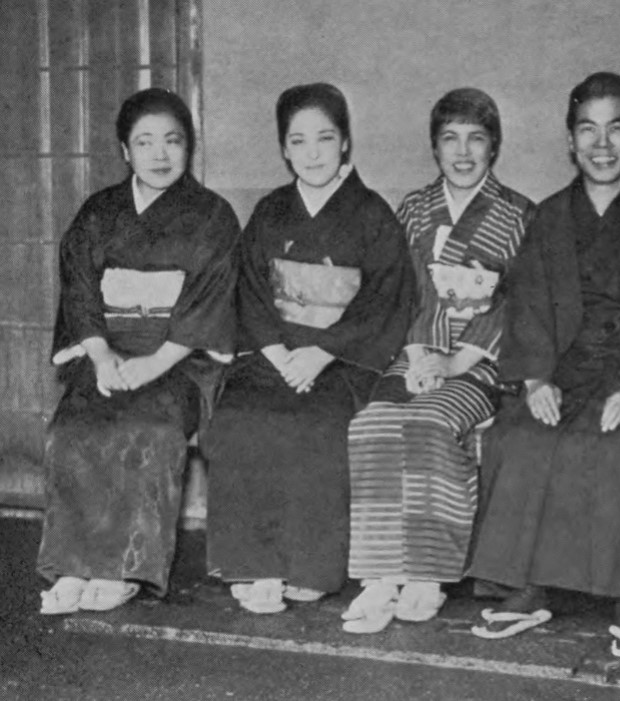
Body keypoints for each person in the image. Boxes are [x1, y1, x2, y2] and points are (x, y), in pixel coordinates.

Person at [466, 72, 620, 657]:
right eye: (587, 129)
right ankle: (530, 587)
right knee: (524, 437)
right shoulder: (549, 217)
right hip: (563, 369)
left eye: (617, 128)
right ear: (570, 141)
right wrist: (536, 377)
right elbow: (528, 300)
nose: (602, 143)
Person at [203, 83, 415, 614]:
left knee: (317, 426)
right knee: (239, 417)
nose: (313, 152)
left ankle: (310, 567)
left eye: (325, 137)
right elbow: (250, 288)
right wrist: (275, 352)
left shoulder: (372, 214)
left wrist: (323, 351)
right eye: (298, 141)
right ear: (284, 149)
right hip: (274, 356)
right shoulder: (272, 211)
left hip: (341, 363)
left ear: (346, 143)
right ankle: (252, 564)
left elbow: (384, 300)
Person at [37, 88, 241, 614]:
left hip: (179, 359)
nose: (159, 154)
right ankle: (74, 566)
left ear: (188, 147)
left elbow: (208, 304)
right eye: (144, 142)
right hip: (110, 353)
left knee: (148, 432)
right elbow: (81, 288)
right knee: (72, 430)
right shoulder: (99, 212)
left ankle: (126, 567)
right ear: (124, 151)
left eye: (172, 141)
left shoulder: (213, 217)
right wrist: (103, 358)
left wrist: (153, 364)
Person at [341, 88, 533, 634]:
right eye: (451, 139)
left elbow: (518, 304)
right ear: (435, 146)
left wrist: (455, 363)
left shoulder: (519, 214)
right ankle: (381, 574)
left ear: (494, 146)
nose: (463, 152)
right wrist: (421, 353)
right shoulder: (413, 209)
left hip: (481, 364)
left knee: (429, 421)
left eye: (476, 138)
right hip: (415, 353)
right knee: (372, 422)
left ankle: (429, 574)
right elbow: (399, 292)